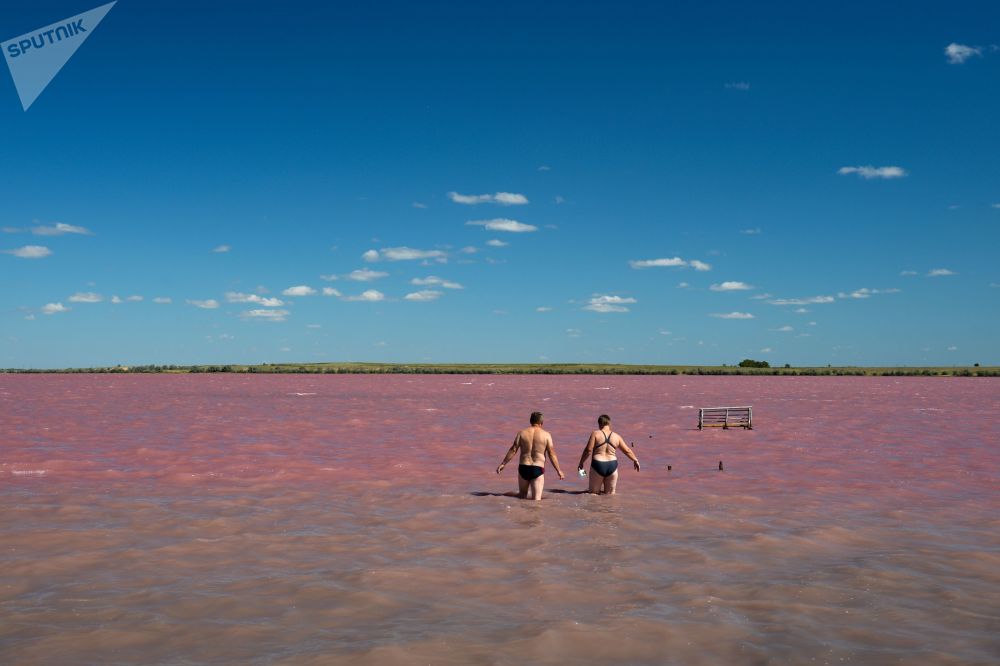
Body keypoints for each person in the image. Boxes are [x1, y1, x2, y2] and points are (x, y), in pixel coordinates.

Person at [496, 411, 565, 500]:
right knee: (536, 501)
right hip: (537, 469)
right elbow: (551, 454)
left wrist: (503, 464)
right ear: (541, 423)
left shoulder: (521, 433)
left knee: (522, 496)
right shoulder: (546, 435)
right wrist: (558, 470)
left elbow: (513, 449)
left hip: (523, 467)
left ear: (530, 421)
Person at [577, 414, 640, 495]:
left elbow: (588, 450)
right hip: (612, 466)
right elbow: (627, 450)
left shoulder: (595, 434)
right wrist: (635, 460)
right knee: (610, 496)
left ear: (599, 424)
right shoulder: (617, 436)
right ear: (609, 424)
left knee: (593, 494)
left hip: (598, 465)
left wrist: (581, 463)